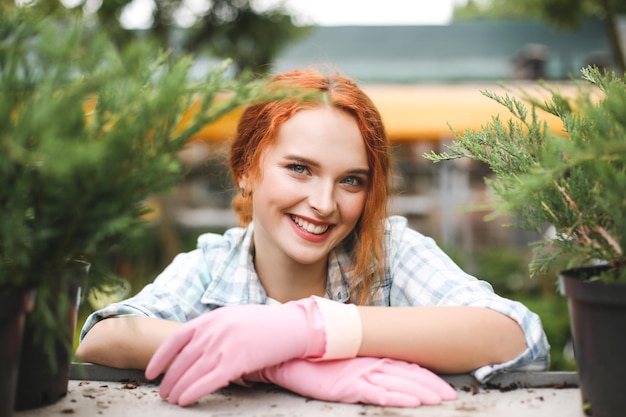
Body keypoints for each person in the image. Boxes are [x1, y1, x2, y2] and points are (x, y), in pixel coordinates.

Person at [76, 68, 550, 408]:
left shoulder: (389, 252)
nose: (324, 203)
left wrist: (309, 330)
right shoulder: (210, 264)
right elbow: (101, 337)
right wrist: (273, 363)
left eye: (352, 181)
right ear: (246, 169)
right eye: (299, 169)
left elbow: (517, 338)